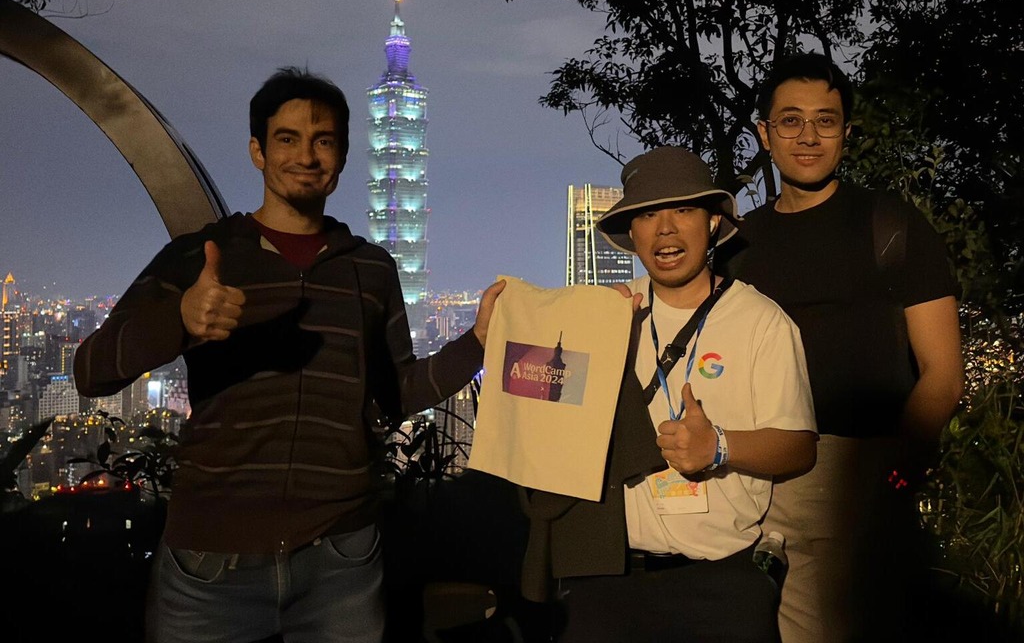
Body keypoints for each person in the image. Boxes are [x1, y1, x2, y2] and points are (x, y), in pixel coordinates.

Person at [73, 66, 504, 643]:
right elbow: (92, 370)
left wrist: (475, 344)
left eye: (323, 140)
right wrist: (177, 320)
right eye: (287, 138)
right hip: (211, 562)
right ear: (257, 150)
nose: (306, 155)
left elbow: (394, 394)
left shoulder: (370, 269)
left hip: (341, 561)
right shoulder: (204, 256)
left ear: (345, 155)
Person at [518, 146, 817, 643]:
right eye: (648, 214)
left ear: (714, 224)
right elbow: (540, 418)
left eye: (683, 209)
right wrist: (511, 328)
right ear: (631, 234)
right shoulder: (603, 316)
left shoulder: (762, 321)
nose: (666, 228)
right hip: (605, 580)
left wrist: (718, 446)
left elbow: (798, 445)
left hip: (720, 586)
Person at [725, 52, 965, 643]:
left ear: (846, 133)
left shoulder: (890, 226)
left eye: (825, 120)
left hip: (854, 482)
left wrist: (895, 479)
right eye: (789, 120)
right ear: (764, 133)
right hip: (753, 480)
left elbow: (943, 374)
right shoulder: (739, 244)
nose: (808, 136)